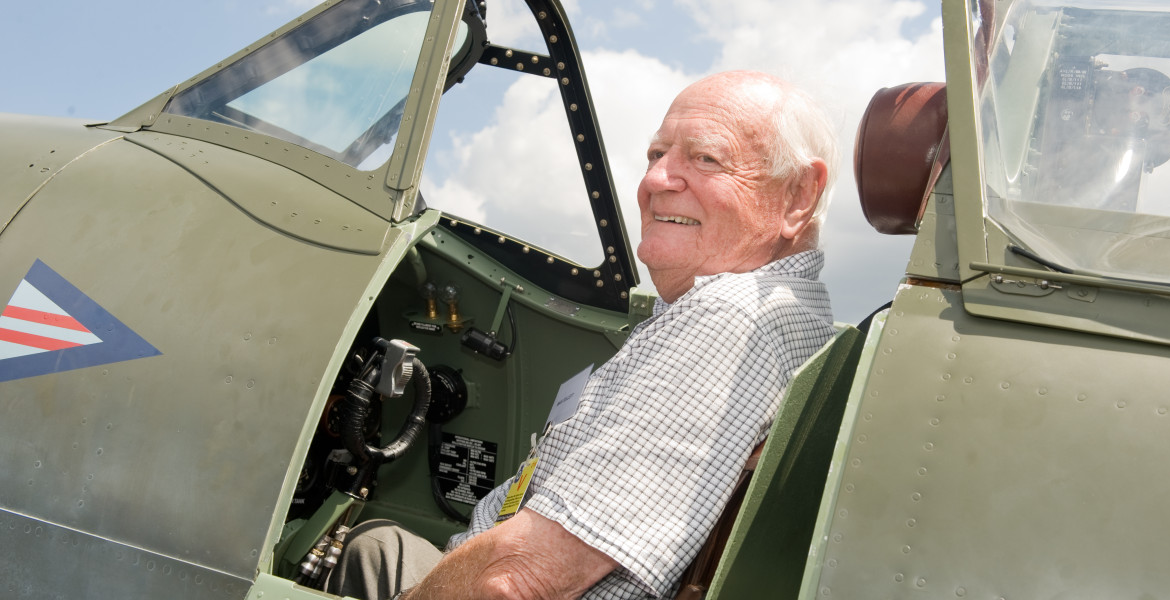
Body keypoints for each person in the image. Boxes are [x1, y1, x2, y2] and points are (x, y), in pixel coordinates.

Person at [326, 70, 840, 600]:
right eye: (656, 155)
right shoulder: (797, 313)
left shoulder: (726, 320)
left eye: (705, 158)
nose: (656, 180)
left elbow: (513, 581)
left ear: (799, 194)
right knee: (377, 545)